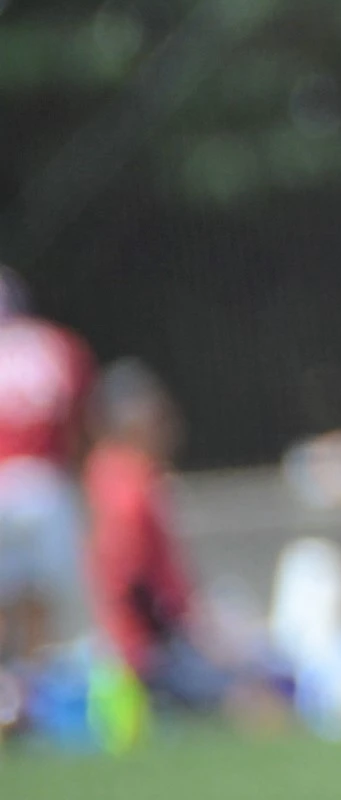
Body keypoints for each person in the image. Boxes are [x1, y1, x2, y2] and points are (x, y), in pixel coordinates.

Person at [83, 361, 230, 712]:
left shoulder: (127, 472)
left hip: (157, 638)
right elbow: (130, 577)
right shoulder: (124, 480)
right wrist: (177, 632)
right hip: (150, 649)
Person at [0, 267, 93, 665]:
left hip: (4, 480)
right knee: (44, 596)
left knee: (7, 596)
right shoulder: (57, 344)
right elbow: (80, 423)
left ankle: (11, 684)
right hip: (47, 480)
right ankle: (35, 679)